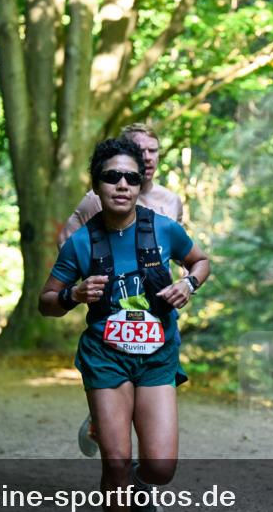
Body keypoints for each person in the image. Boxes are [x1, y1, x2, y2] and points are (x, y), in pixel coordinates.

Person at [39, 137, 210, 512]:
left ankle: (138, 487)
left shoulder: (162, 230)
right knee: (115, 460)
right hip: (106, 359)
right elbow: (45, 302)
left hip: (156, 358)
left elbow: (201, 261)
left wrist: (189, 285)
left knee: (160, 468)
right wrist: (72, 295)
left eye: (131, 177)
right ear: (96, 185)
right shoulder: (81, 242)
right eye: (112, 176)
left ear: (141, 185)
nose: (122, 185)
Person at [56, 123, 187, 458]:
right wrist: (85, 282)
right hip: (111, 321)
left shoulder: (170, 201)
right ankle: (106, 417)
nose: (146, 157)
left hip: (156, 313)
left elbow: (182, 251)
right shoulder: (94, 200)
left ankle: (145, 479)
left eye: (153, 151)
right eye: (138, 150)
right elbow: (68, 244)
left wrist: (185, 283)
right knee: (119, 448)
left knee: (157, 434)